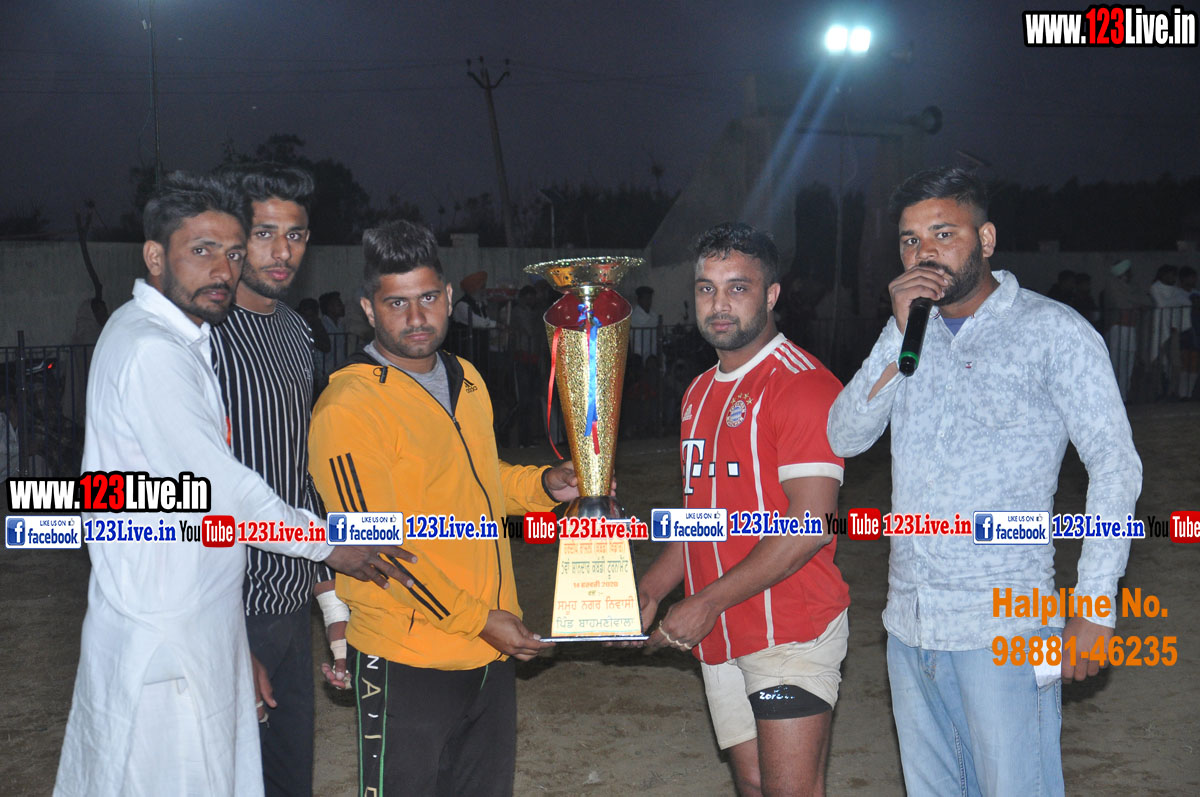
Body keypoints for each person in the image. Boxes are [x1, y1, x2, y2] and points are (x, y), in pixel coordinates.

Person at [53, 173, 414, 796]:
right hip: (190, 622)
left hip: (258, 604)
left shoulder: (257, 334)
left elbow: (296, 474)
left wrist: (329, 604)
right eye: (206, 250)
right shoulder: (169, 345)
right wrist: (331, 548)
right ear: (155, 256)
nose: (227, 267)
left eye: (234, 251)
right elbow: (219, 489)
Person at [827, 167, 1141, 796]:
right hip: (910, 623)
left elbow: (1115, 466)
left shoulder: (1052, 331)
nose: (925, 252)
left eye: (943, 234)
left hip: (1008, 626)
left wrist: (1095, 605)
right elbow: (844, 436)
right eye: (911, 240)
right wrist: (896, 333)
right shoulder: (907, 334)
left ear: (987, 239)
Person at [308, 220, 582, 796]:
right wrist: (480, 620)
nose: (416, 317)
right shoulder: (349, 406)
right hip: (409, 655)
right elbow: (377, 550)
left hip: (487, 647)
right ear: (369, 308)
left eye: (428, 298)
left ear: (450, 297)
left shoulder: (467, 378)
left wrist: (543, 485)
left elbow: (478, 480)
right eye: (397, 303)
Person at [634, 222, 850, 797]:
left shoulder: (804, 386)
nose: (720, 304)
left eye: (738, 287)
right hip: (723, 628)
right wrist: (652, 589)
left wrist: (704, 601)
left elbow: (810, 527)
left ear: (771, 295)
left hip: (790, 630)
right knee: (753, 784)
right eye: (707, 288)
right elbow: (702, 516)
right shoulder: (699, 391)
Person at [210, 163, 347, 796]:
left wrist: (331, 604)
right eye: (264, 233)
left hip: (290, 605)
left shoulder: (295, 333)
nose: (282, 251)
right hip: (226, 608)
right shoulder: (200, 338)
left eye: (295, 235)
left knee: (289, 781)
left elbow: (299, 477)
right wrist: (223, 638)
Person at [1100, 259, 1144, 401]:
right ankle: (1112, 396)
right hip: (1118, 327)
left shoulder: (1132, 286)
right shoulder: (1112, 284)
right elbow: (1122, 303)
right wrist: (1133, 302)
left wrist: (1133, 301)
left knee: (1128, 364)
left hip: (1130, 328)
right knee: (1116, 363)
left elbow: (1142, 300)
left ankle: (1123, 396)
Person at [1147, 264, 1192, 399]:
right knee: (1157, 362)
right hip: (1159, 329)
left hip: (1173, 330)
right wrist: (1175, 301)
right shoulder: (1155, 288)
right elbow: (1161, 304)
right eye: (1171, 274)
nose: (1174, 277)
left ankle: (1171, 391)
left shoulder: (1176, 290)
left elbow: (1187, 302)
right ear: (1164, 275)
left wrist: (1173, 302)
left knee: (1176, 363)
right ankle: (1158, 392)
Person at [630, 285, 660, 359]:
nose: (648, 301)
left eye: (650, 298)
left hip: (652, 351)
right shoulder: (634, 316)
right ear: (639, 300)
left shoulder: (653, 315)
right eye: (645, 298)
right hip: (639, 352)